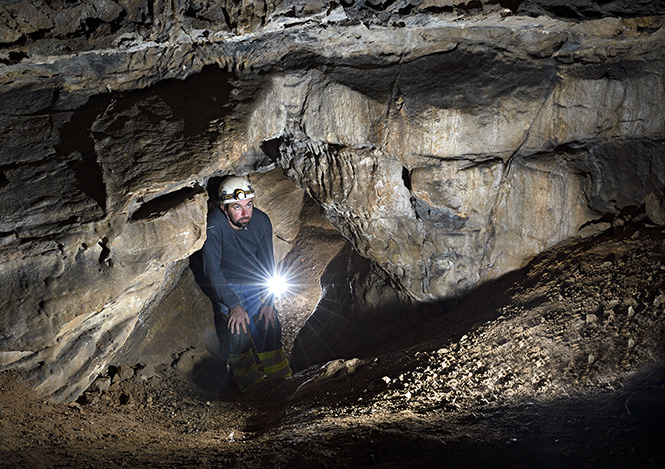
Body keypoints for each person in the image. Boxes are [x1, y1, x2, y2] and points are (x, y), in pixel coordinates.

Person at [200, 175, 291, 392]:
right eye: (237, 207)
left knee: (269, 327)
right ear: (224, 208)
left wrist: (269, 301)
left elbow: (268, 263)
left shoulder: (261, 222)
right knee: (238, 334)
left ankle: (284, 383)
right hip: (227, 284)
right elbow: (212, 270)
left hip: (254, 283)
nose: (245, 212)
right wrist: (234, 305)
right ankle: (250, 388)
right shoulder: (214, 225)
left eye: (248, 205)